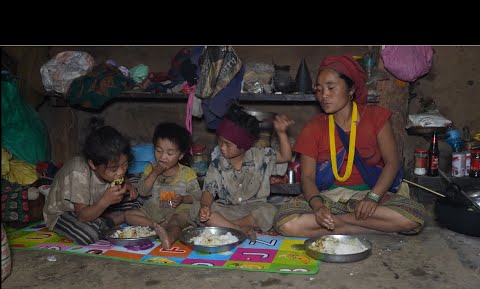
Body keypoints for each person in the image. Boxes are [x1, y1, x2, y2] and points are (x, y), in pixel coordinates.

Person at [274, 54, 427, 237]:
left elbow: (392, 163)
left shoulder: (375, 118)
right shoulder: (313, 128)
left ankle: (338, 225)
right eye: (319, 89)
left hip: (368, 196)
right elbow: (307, 177)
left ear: (351, 89)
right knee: (285, 223)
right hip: (328, 198)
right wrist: (318, 208)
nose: (324, 95)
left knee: (413, 218)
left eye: (331, 88)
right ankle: (362, 227)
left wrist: (373, 198)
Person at [190, 103, 294, 239]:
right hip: (226, 209)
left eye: (228, 144)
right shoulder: (216, 165)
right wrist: (205, 207)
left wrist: (281, 133)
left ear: (243, 145)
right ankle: (237, 229)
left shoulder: (260, 156)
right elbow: (208, 192)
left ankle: (227, 227)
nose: (222, 147)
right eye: (220, 142)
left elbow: (286, 156)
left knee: (269, 211)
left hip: (252, 210)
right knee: (195, 208)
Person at [43, 125, 139, 245]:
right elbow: (82, 216)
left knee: (139, 194)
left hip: (97, 205)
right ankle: (112, 219)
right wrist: (105, 202)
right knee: (89, 233)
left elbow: (122, 175)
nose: (121, 172)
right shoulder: (78, 171)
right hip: (67, 213)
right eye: (114, 168)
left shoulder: (113, 169)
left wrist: (128, 184)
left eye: (124, 165)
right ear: (93, 164)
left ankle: (108, 217)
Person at [124, 122, 201, 249]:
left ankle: (169, 237)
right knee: (128, 215)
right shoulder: (151, 169)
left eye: (170, 153)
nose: (163, 157)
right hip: (154, 210)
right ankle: (156, 226)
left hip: (178, 211)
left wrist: (183, 199)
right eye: (158, 151)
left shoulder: (187, 173)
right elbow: (142, 192)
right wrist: (154, 173)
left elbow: (198, 196)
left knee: (176, 222)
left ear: (181, 155)